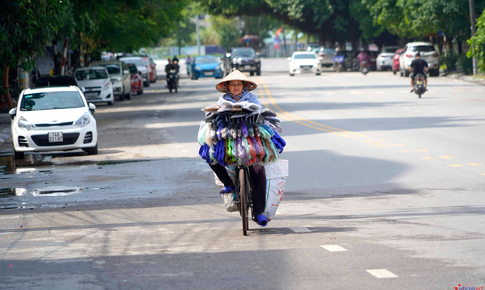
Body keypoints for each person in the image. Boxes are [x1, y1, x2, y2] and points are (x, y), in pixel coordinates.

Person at [209, 70, 267, 225]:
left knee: (258, 170)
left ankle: (259, 211)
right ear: (227, 87)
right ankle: (229, 184)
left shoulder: (252, 98)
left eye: (238, 84)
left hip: (250, 139)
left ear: (244, 86)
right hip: (229, 139)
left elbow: (260, 115)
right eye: (232, 84)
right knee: (211, 156)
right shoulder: (223, 100)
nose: (236, 87)